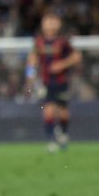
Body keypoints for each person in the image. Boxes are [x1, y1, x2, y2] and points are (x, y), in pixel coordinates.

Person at [25, 12, 81, 153]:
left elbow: (76, 57)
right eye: (47, 21)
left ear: (58, 24)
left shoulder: (63, 42)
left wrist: (61, 64)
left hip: (61, 82)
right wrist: (30, 77)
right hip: (46, 82)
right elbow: (32, 60)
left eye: (53, 21)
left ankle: (63, 134)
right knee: (48, 111)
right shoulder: (39, 42)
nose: (50, 24)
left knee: (63, 113)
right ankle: (50, 141)